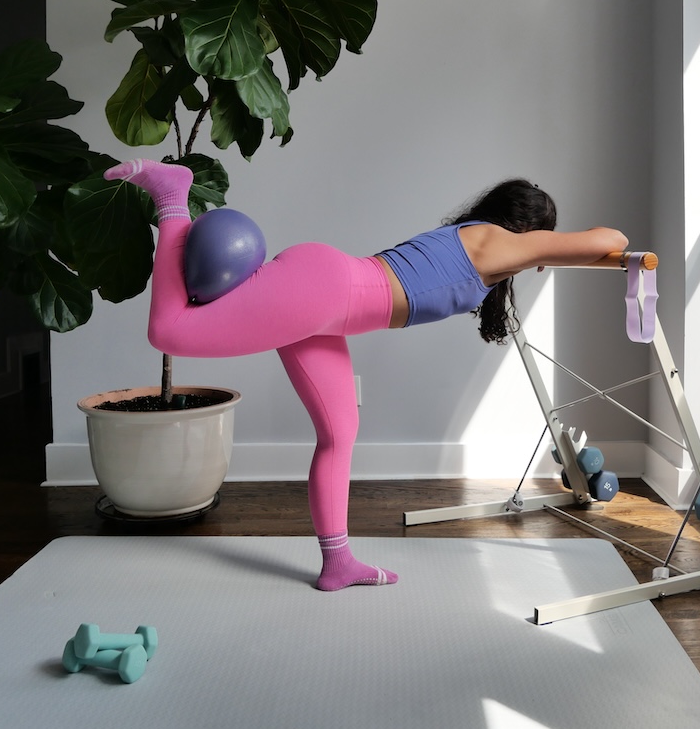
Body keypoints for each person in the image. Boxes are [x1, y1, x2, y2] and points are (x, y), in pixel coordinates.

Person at [104, 159, 628, 591]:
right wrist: (547, 251)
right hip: (324, 293)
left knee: (339, 433)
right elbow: (609, 237)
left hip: (330, 298)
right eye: (542, 240)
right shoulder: (499, 242)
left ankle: (338, 561)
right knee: (171, 332)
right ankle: (172, 195)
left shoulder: (475, 236)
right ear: (530, 229)